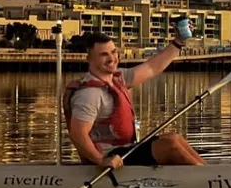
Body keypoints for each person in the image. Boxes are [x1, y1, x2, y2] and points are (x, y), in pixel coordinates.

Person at [63, 25, 206, 170]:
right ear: (89, 59)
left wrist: (178, 42)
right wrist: (101, 160)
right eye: (103, 55)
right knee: (170, 146)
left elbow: (152, 68)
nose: (112, 58)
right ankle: (205, 177)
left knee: (174, 138)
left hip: (126, 149)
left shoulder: (119, 78)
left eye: (113, 52)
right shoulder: (89, 94)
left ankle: (207, 172)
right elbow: (78, 134)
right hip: (109, 157)